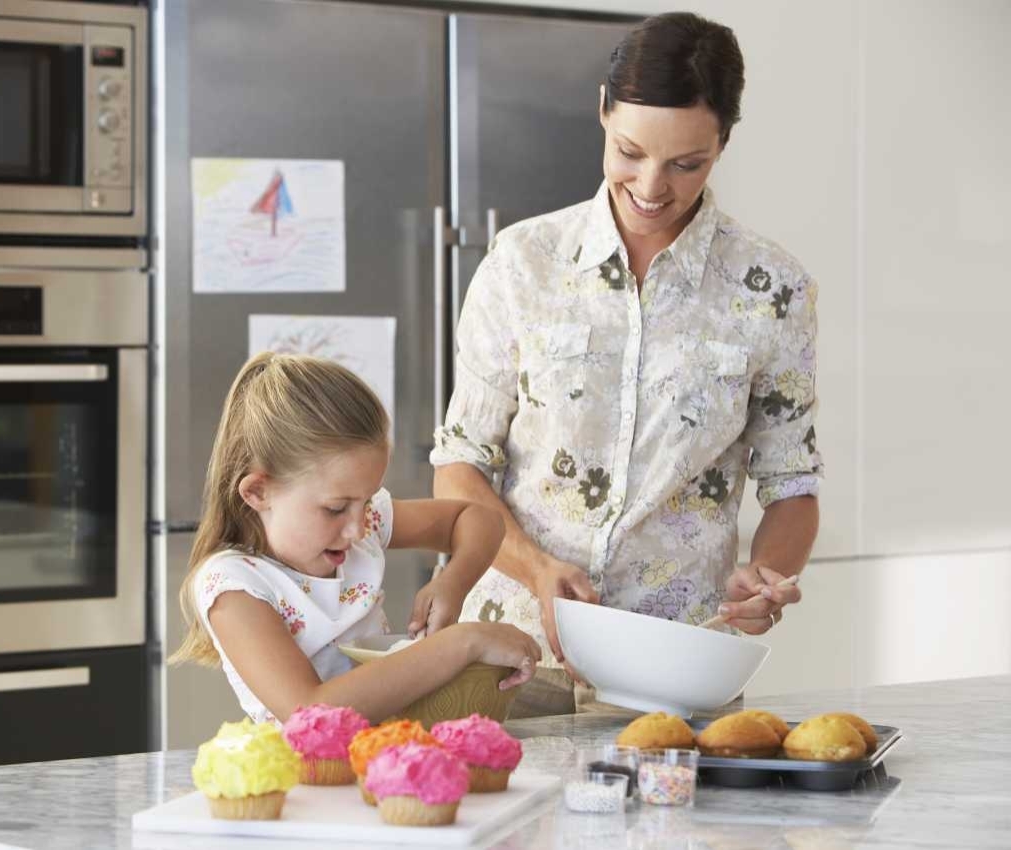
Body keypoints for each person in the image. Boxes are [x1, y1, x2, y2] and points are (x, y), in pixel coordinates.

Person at [431, 11, 823, 717]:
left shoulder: (774, 288)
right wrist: (538, 570)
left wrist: (768, 577)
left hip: (675, 668)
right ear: (603, 113)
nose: (651, 185)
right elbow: (459, 465)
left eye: (686, 163)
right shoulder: (522, 264)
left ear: (723, 143)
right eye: (629, 151)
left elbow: (792, 482)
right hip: (505, 657)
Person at [170, 352, 541, 724]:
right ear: (257, 493)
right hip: (305, 778)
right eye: (335, 508)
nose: (359, 528)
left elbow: (478, 519)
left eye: (366, 501)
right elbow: (311, 714)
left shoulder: (360, 523)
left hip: (385, 758)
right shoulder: (236, 586)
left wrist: (453, 582)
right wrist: (463, 642)